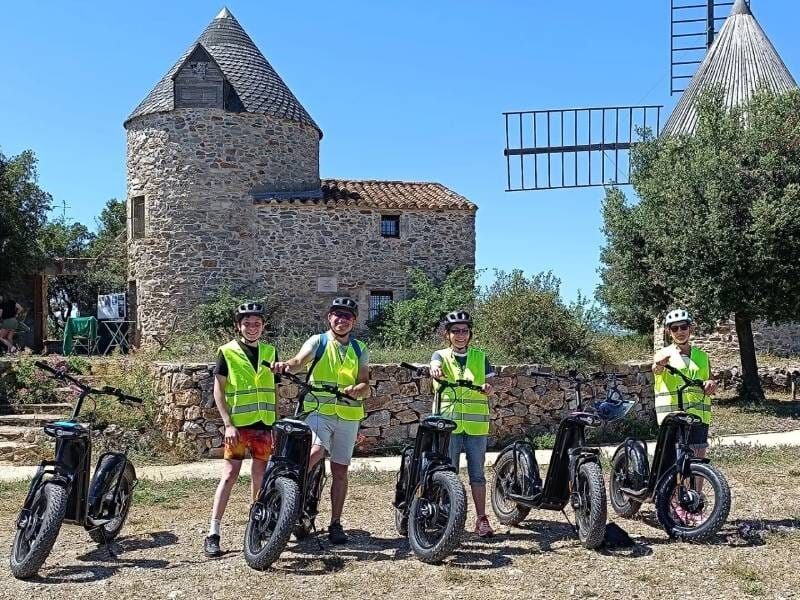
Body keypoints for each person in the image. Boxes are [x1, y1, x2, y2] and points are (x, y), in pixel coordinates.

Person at [272, 297, 369, 544]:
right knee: (315, 451)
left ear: (354, 321)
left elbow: (365, 382)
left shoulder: (360, 348)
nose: (341, 320)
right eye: (337, 314)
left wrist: (358, 389)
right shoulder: (319, 341)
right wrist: (285, 366)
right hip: (318, 409)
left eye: (347, 316)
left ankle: (335, 522)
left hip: (347, 414)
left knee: (340, 471)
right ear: (329, 317)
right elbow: (298, 362)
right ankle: (292, 496)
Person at [204, 302, 278, 558]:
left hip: (263, 424)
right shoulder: (227, 351)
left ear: (263, 326)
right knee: (229, 476)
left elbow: (274, 386)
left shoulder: (270, 351)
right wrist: (227, 424)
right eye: (247, 323)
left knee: (261, 476)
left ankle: (256, 523)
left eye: (257, 324)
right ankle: (213, 532)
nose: (252, 328)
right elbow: (219, 389)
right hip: (237, 427)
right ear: (239, 326)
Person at [429, 310, 495, 537]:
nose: (460, 335)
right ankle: (448, 519)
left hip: (476, 426)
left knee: (477, 474)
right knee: (450, 473)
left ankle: (481, 519)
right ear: (447, 334)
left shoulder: (480, 356)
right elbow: (434, 365)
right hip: (449, 424)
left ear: (470, 334)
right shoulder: (440, 355)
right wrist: (435, 370)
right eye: (455, 331)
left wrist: (488, 388)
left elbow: (490, 383)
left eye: (464, 331)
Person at [652, 308, 717, 523]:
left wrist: (710, 384)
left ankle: (694, 503)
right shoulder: (664, 353)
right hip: (674, 416)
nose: (680, 331)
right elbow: (657, 370)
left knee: (697, 461)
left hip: (698, 416)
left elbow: (709, 381)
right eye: (675, 328)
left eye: (684, 327)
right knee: (675, 461)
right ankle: (674, 505)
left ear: (691, 328)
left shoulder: (702, 356)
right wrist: (659, 365)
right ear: (669, 332)